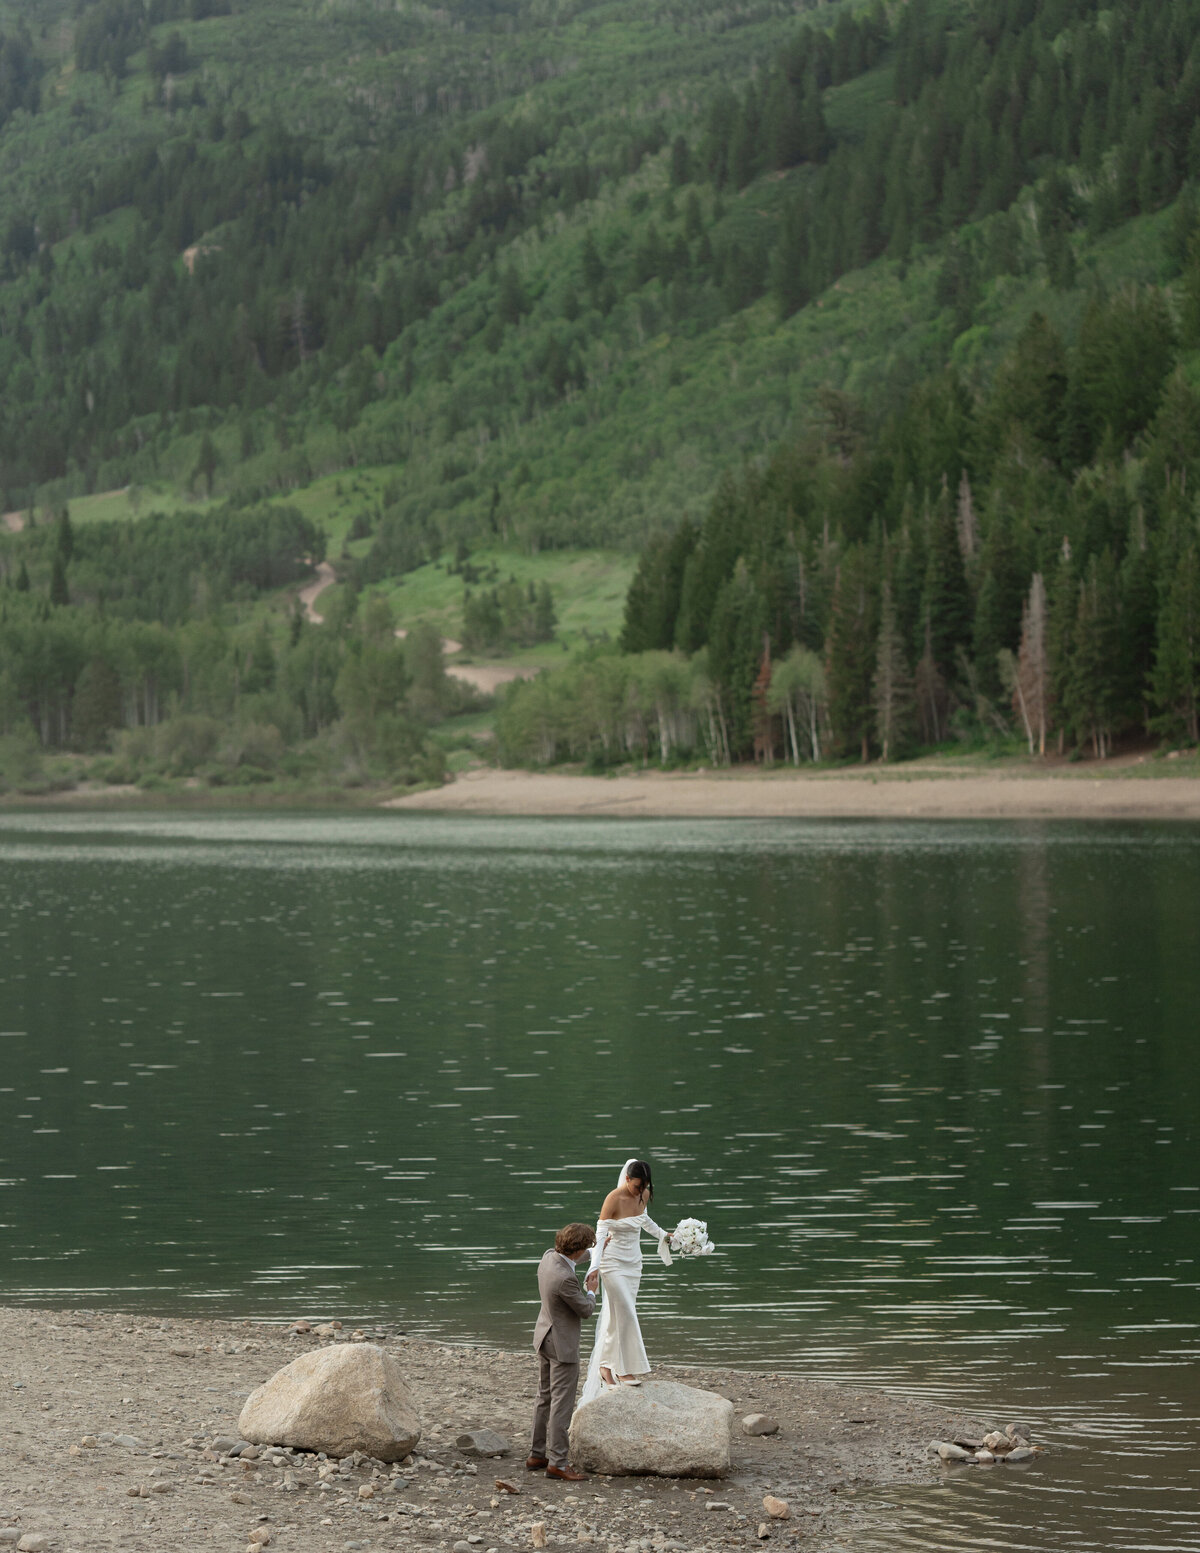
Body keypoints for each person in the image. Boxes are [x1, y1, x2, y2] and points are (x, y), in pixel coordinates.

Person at [578, 1157, 672, 1405]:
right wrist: (594, 1268)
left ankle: (605, 1368)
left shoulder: (643, 1194)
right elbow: (599, 1235)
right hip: (613, 1263)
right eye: (637, 1186)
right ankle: (622, 1369)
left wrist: (665, 1235)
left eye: (644, 1187)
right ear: (627, 1179)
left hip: (634, 1265)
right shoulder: (613, 1198)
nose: (641, 1191)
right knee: (627, 1313)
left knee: (616, 1316)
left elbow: (645, 1221)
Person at [529, 1221, 599, 1482]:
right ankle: (558, 1463)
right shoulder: (566, 1280)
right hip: (561, 1346)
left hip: (544, 1337)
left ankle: (536, 1454)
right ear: (577, 1250)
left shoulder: (550, 1257)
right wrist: (592, 1291)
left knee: (543, 1397)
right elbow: (585, 1310)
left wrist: (599, 1250)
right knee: (562, 1404)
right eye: (586, 1248)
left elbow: (573, 1260)